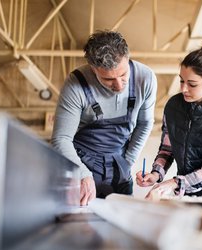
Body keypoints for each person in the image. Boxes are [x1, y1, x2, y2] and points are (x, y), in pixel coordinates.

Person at [136, 37, 202, 230]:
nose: (183, 89)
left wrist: (173, 183)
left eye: (192, 84)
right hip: (190, 195)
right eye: (181, 81)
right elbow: (167, 149)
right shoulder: (173, 107)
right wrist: (156, 174)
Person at [52, 30, 157, 206]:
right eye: (108, 79)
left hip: (119, 166)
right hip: (81, 164)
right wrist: (82, 175)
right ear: (93, 69)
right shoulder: (76, 84)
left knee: (122, 224)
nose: (118, 85)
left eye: (123, 75)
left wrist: (128, 161)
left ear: (127, 58)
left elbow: (145, 123)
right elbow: (61, 139)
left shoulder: (145, 78)